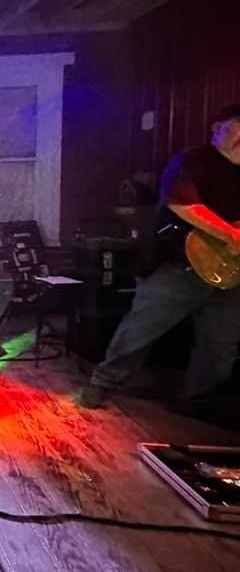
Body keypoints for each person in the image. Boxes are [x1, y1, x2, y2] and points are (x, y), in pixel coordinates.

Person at [77, 104, 240, 417]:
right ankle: (103, 382)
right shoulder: (192, 161)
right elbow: (183, 204)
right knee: (141, 328)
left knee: (221, 344)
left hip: (232, 274)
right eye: (239, 127)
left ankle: (199, 400)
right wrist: (230, 234)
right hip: (178, 266)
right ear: (217, 128)